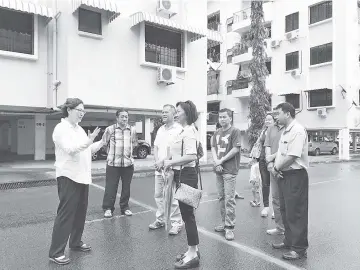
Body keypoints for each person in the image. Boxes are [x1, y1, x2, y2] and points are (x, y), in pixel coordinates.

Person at [49, 98, 102, 265]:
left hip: (82, 176)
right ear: (69, 110)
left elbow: (87, 150)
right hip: (68, 176)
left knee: (80, 213)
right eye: (79, 110)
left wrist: (102, 142)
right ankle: (56, 252)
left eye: (83, 111)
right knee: (66, 214)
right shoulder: (61, 129)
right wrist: (89, 140)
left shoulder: (79, 129)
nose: (82, 113)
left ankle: (76, 242)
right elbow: (71, 150)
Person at [163, 100, 201, 269]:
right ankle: (192, 249)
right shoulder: (183, 130)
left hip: (187, 175)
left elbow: (192, 156)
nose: (176, 114)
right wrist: (166, 161)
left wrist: (171, 163)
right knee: (187, 215)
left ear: (187, 113)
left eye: (178, 111)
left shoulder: (189, 132)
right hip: (181, 174)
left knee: (188, 216)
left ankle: (193, 253)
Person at [271, 102, 309, 260]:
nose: (276, 116)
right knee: (285, 210)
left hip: (295, 175)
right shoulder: (286, 131)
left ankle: (299, 249)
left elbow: (293, 155)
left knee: (296, 212)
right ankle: (289, 241)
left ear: (287, 114)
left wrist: (276, 168)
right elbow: (281, 154)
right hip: (284, 174)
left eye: (278, 113)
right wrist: (277, 167)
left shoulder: (297, 130)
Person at [149, 104, 183, 235]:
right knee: (158, 195)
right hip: (160, 169)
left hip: (171, 168)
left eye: (166, 112)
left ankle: (176, 223)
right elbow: (156, 147)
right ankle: (161, 219)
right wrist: (157, 161)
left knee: (174, 197)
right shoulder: (160, 129)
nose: (163, 114)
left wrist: (163, 162)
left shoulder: (179, 129)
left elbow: (175, 150)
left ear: (174, 114)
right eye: (162, 112)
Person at [211, 108, 242, 241]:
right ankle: (224, 223)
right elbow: (212, 147)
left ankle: (230, 227)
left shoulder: (235, 131)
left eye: (224, 117)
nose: (222, 119)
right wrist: (216, 162)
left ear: (230, 118)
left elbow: (236, 149)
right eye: (220, 117)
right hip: (218, 169)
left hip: (229, 170)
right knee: (221, 197)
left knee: (229, 199)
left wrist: (221, 161)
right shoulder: (217, 132)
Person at [101, 109, 138, 218]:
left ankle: (125, 207)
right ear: (117, 118)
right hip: (113, 164)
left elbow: (134, 144)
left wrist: (129, 155)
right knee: (111, 187)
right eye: (122, 116)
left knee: (126, 187)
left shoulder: (132, 130)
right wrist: (111, 155)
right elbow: (104, 144)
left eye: (126, 116)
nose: (125, 119)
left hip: (128, 164)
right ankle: (108, 208)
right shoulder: (110, 129)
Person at [264, 113, 285, 235]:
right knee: (276, 199)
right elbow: (267, 145)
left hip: (285, 167)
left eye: (279, 113)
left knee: (287, 200)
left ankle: (289, 229)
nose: (277, 116)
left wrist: (271, 157)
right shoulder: (271, 128)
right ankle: (280, 228)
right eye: (276, 113)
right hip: (272, 167)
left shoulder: (290, 128)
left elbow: (287, 149)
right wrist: (270, 162)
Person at [258, 114, 275, 217]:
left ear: (274, 121)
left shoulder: (277, 131)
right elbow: (259, 144)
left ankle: (276, 210)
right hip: (262, 159)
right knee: (265, 184)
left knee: (276, 185)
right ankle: (266, 207)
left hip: (273, 160)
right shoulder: (263, 131)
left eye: (270, 119)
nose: (268, 121)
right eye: (266, 119)